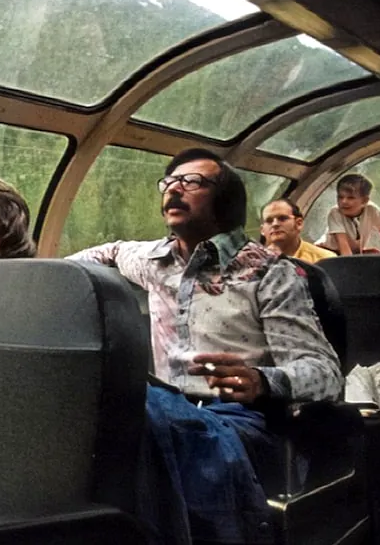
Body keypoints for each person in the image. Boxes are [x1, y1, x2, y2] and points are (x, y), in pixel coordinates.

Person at [68, 148, 342, 544]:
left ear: (225, 200)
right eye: (170, 183)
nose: (175, 190)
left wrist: (263, 381)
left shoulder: (270, 273)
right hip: (163, 408)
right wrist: (48, 274)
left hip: (242, 420)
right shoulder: (151, 259)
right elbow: (106, 253)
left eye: (192, 182)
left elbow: (325, 373)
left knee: (133, 417)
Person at [318, 173, 380, 255]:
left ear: (364, 200)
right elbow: (342, 244)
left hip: (353, 251)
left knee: (375, 254)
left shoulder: (371, 209)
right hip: (327, 251)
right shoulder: (335, 213)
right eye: (340, 197)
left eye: (350, 198)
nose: (343, 201)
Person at [260, 198, 336, 264]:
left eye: (282, 218)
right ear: (262, 230)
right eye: (269, 221)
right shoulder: (254, 261)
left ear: (298, 223)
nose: (275, 224)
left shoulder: (325, 259)